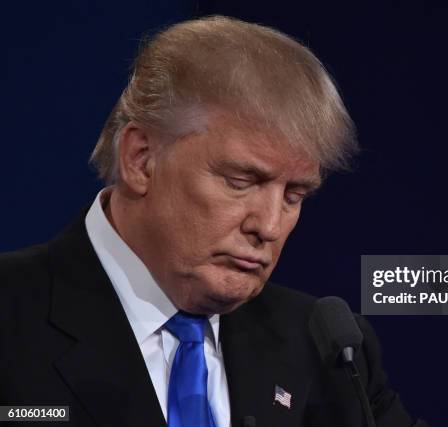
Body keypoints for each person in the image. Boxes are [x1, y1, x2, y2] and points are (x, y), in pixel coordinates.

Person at [0, 16, 420, 426]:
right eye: (241, 181)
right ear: (141, 160)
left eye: (294, 196)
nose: (270, 226)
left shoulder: (329, 352)